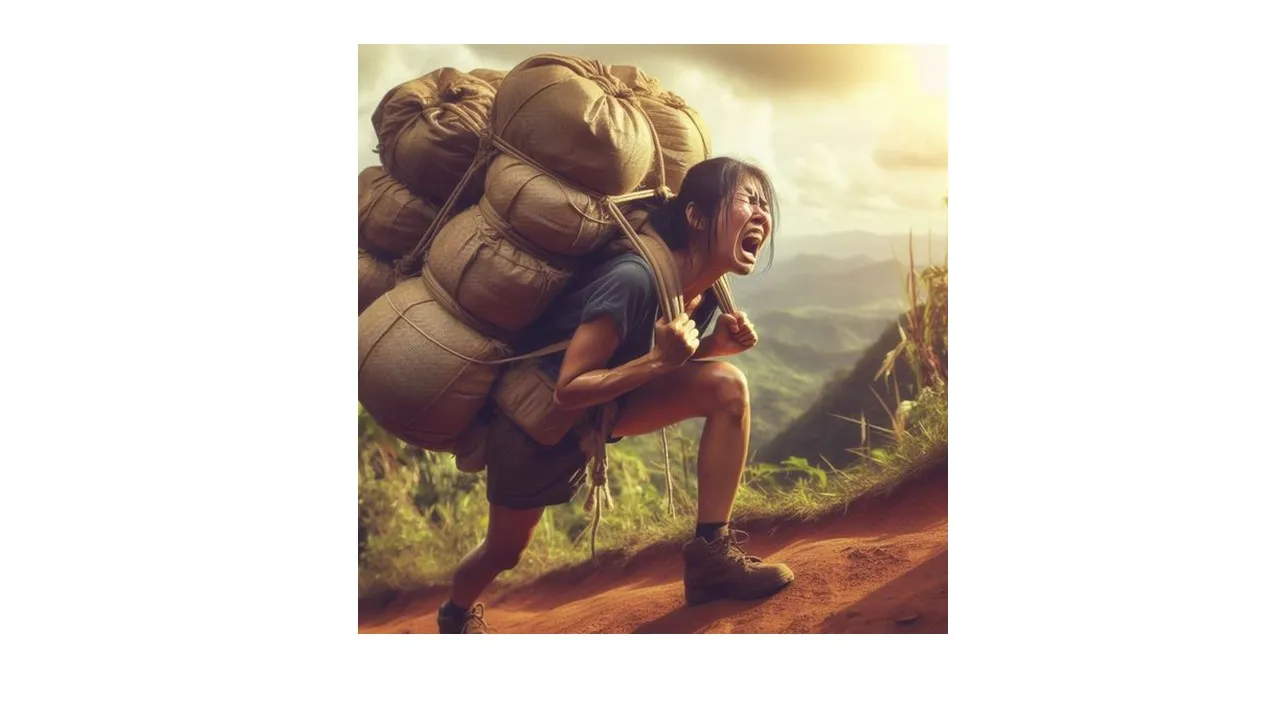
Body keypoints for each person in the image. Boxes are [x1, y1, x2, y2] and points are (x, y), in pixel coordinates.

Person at [437, 156, 792, 634]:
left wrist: (712, 348)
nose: (762, 214)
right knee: (505, 550)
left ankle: (712, 557)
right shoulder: (633, 278)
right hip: (536, 422)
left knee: (727, 385)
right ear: (696, 216)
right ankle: (455, 613)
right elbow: (568, 389)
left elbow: (655, 354)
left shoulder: (704, 292)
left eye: (765, 204)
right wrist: (659, 363)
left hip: (608, 407)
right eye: (748, 199)